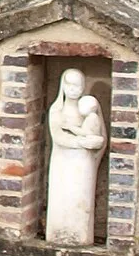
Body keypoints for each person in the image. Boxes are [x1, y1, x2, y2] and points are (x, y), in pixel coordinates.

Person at [44, 67, 107, 246]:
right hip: (63, 161)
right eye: (69, 85)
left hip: (83, 162)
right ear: (63, 86)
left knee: (81, 199)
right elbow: (58, 137)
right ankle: (57, 235)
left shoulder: (89, 107)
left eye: (77, 86)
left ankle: (81, 237)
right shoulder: (57, 111)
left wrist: (96, 144)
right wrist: (81, 142)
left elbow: (101, 136)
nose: (73, 90)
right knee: (62, 199)